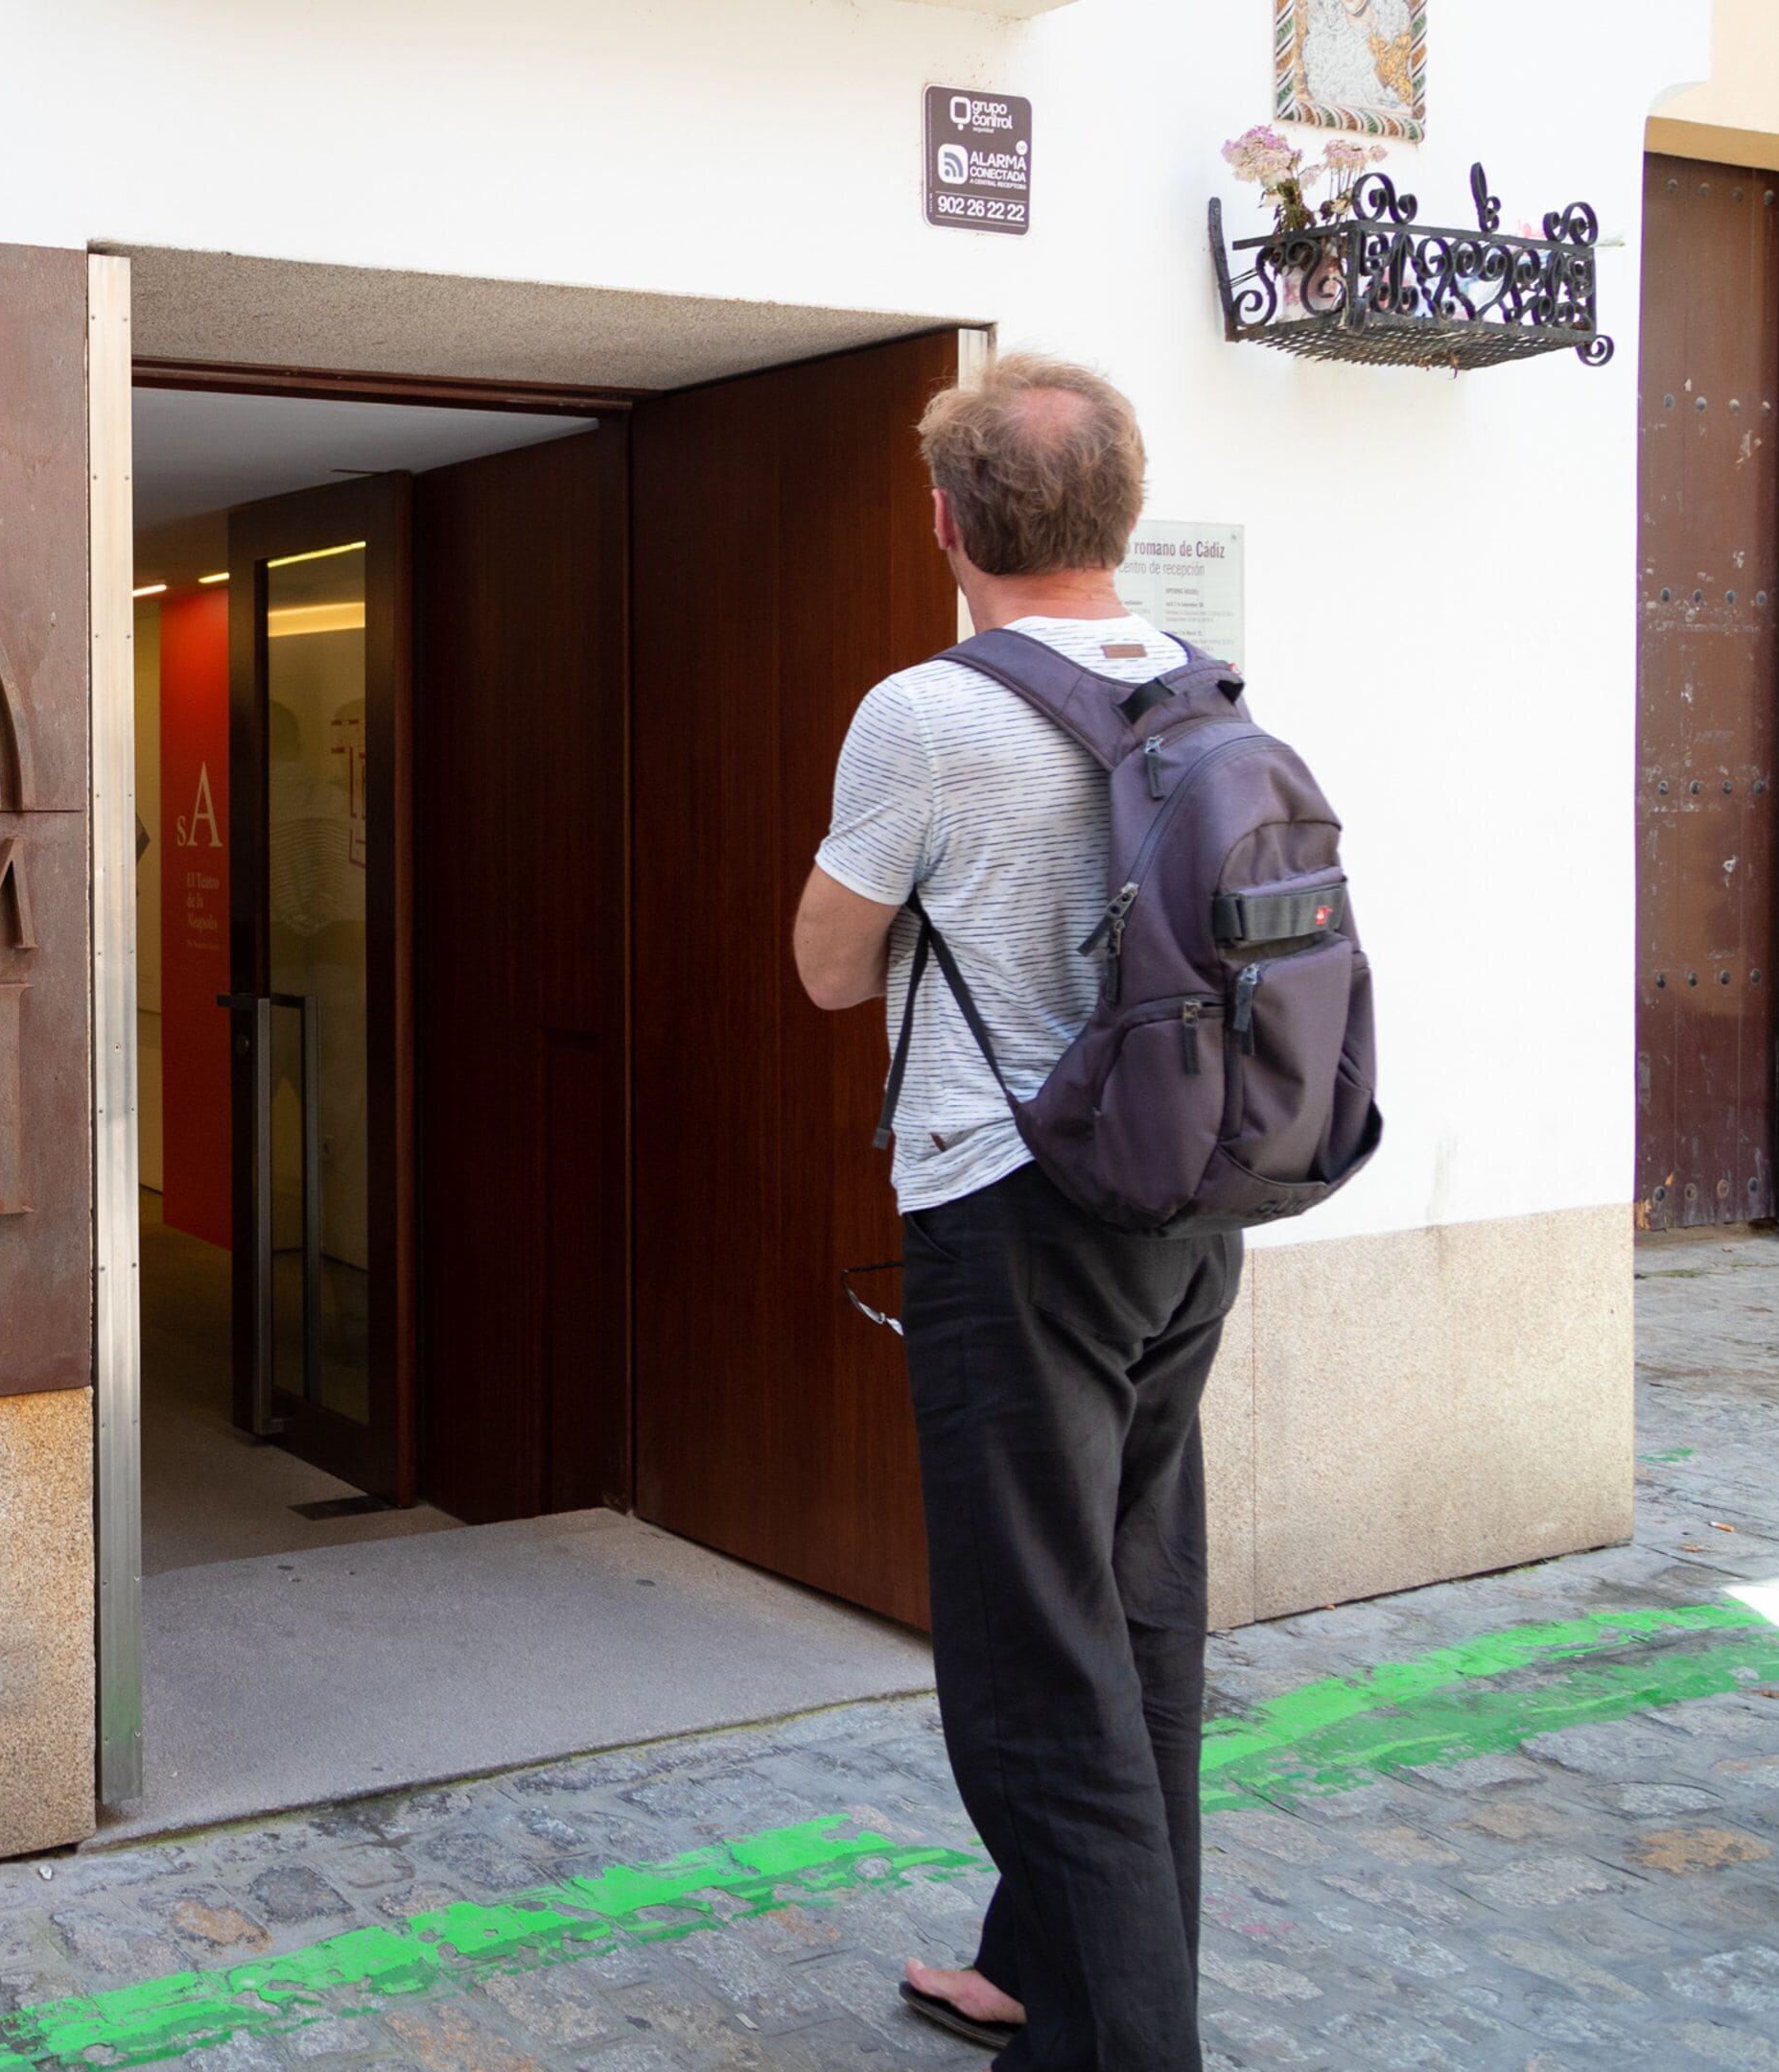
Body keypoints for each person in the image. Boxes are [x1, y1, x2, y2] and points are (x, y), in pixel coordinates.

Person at [789, 353, 1242, 2071]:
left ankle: (1126, 2046)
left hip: (1011, 1210)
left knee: (1030, 1661)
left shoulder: (928, 711)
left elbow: (829, 971)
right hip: (1188, 1206)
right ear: (1122, 511)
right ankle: (1041, 1965)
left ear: (945, 522)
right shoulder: (1204, 689)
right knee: (1134, 1613)